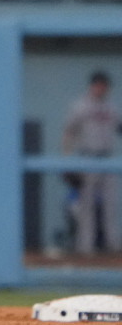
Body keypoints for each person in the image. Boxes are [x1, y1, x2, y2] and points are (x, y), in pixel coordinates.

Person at [61, 71, 121, 255]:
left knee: (111, 203)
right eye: (98, 84)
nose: (101, 88)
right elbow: (68, 132)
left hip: (107, 158)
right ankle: (85, 247)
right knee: (86, 205)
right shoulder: (80, 106)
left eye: (104, 85)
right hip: (87, 157)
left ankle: (113, 244)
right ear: (91, 86)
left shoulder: (111, 108)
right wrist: (66, 160)